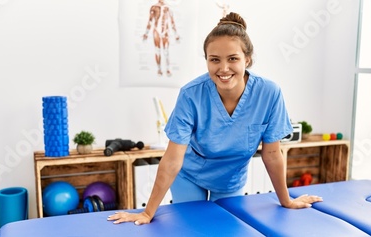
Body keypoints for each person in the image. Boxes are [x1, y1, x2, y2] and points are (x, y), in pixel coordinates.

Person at [108, 12, 322, 225]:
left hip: (231, 180)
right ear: (207, 61)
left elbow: (272, 155)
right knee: (192, 228)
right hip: (189, 175)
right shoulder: (191, 94)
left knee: (224, 228)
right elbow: (173, 159)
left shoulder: (269, 93)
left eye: (233, 59)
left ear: (247, 59)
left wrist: (286, 201)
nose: (223, 68)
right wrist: (147, 213)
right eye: (215, 60)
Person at [142, 0, 180, 77]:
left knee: (166, 51)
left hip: (165, 31)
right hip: (156, 31)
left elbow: (172, 22)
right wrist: (146, 33)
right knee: (157, 51)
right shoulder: (154, 7)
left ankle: (167, 69)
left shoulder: (168, 8)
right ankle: (159, 69)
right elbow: (150, 21)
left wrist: (176, 34)